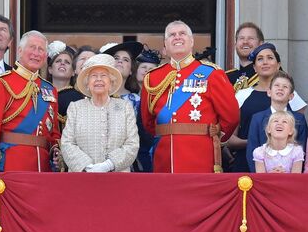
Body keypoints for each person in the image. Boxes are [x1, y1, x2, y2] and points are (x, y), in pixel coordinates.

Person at [141, 20, 239, 173]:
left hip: (200, 156)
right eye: (172, 35)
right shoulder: (153, 77)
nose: (177, 37)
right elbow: (148, 122)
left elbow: (231, 116)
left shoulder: (212, 73)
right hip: (163, 157)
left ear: (192, 41)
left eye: (182, 34)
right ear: (165, 45)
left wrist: (216, 137)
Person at [0, 30, 61, 172]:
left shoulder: (50, 89)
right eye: (32, 47)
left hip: (43, 166)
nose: (36, 53)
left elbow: (54, 132)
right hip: (11, 162)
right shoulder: (0, 83)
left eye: (41, 49)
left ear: (45, 56)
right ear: (20, 50)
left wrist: (56, 153)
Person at [227, 43, 306, 172]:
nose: (265, 62)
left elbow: (301, 136)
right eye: (260, 59)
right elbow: (230, 138)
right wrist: (256, 141)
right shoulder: (242, 95)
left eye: (270, 58)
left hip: (289, 170)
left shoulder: (291, 95)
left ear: (278, 64)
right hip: (249, 164)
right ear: (254, 67)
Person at [61, 54, 139, 172]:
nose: (98, 79)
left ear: (111, 81)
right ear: (87, 82)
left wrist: (109, 164)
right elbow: (67, 143)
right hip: (82, 178)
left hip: (118, 180)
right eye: (93, 76)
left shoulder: (125, 107)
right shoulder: (75, 108)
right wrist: (87, 167)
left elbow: (132, 144)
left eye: (103, 75)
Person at [104, 41, 154, 172]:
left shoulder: (138, 101)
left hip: (130, 166)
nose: (120, 61)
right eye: (116, 58)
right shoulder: (94, 98)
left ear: (132, 70)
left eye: (125, 59)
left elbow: (144, 140)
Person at [246, 71, 307, 172]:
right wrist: (261, 177)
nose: (280, 88)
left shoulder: (299, 119)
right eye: (277, 85)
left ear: (291, 96)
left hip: (291, 178)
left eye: (285, 87)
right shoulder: (257, 118)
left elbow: (303, 149)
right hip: (263, 178)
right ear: (269, 92)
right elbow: (251, 150)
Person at [46, 40, 82, 129]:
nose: (62, 63)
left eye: (67, 62)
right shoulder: (41, 93)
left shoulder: (78, 98)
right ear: (50, 69)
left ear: (73, 72)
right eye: (58, 61)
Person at [226, 22, 263, 92]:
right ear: (235, 44)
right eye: (241, 38)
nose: (245, 42)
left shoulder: (269, 75)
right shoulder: (226, 77)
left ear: (260, 44)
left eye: (251, 38)